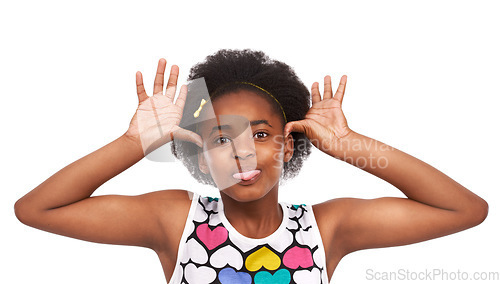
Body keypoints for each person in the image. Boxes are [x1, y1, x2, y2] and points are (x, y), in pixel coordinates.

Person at [14, 49, 488, 284]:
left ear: (287, 146)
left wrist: (351, 144)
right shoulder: (175, 222)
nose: (241, 153)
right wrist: (131, 144)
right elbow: (36, 209)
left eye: (260, 135)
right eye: (221, 138)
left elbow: (465, 210)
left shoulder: (329, 229)